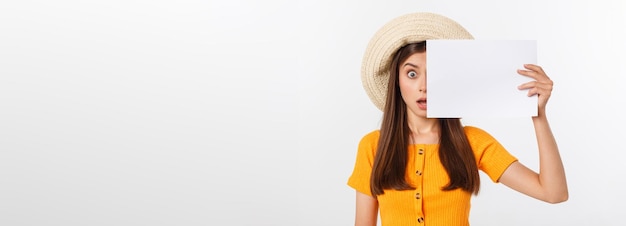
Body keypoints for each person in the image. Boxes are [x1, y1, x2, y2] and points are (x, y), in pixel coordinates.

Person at [347, 12, 568, 226]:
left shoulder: (472, 142)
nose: (424, 87)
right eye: (412, 74)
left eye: (434, 74)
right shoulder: (373, 146)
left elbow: (553, 193)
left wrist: (538, 115)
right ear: (397, 81)